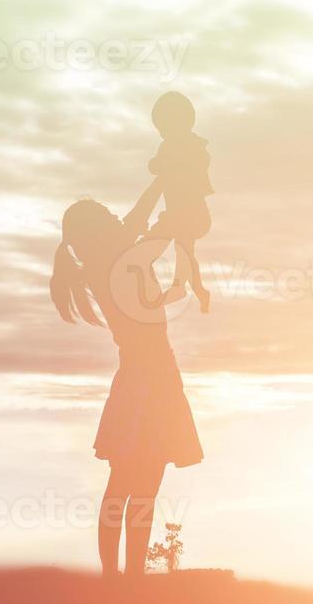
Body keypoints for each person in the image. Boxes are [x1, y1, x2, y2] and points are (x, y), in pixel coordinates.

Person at [49, 176, 203, 576]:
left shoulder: (117, 261)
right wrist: (168, 190)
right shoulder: (116, 265)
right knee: (133, 484)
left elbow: (138, 225)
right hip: (146, 383)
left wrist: (163, 183)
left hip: (152, 379)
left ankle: (126, 576)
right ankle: (118, 577)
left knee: (140, 482)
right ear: (98, 234)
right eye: (108, 218)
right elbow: (140, 226)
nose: (118, 218)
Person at [147, 91, 214, 313]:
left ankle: (179, 286)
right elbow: (156, 167)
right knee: (184, 250)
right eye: (161, 128)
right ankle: (199, 291)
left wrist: (173, 162)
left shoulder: (193, 145)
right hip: (175, 214)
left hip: (193, 212)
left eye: (167, 125)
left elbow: (200, 161)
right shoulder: (167, 147)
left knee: (184, 247)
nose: (164, 132)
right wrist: (159, 163)